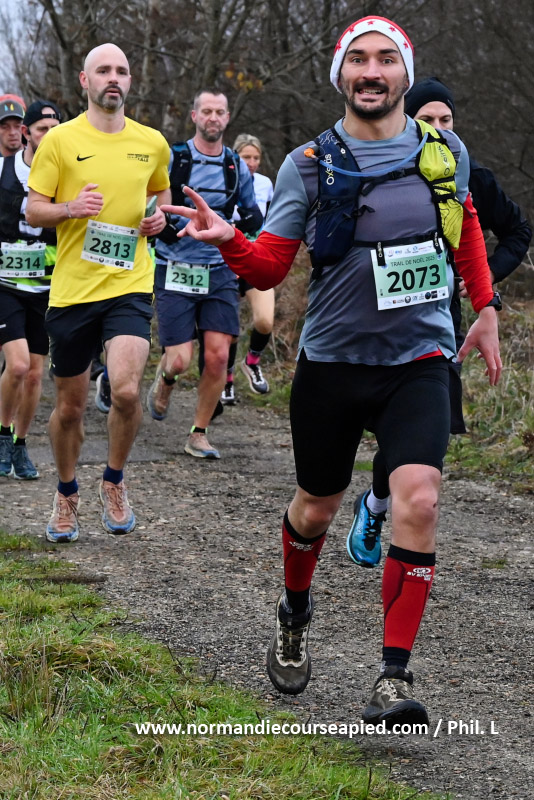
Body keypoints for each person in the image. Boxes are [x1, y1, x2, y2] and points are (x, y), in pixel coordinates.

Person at [161, 15, 501, 728]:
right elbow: (270, 266)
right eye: (358, 60)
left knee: (420, 498)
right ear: (340, 74)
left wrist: (486, 306)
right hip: (334, 363)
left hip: (420, 359)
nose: (371, 71)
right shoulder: (309, 163)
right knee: (316, 507)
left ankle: (393, 677)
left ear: (405, 73)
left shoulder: (444, 150)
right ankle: (293, 612)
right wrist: (228, 240)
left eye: (386, 59)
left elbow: (466, 222)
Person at [346, 76, 532, 570]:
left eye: (446, 120)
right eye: (426, 119)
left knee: (426, 428)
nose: (438, 128)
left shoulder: (470, 174)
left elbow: (518, 231)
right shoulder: (384, 168)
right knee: (383, 423)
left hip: (438, 317)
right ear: (407, 120)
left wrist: (483, 283)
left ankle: (380, 509)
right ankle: (372, 503)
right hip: (375, 317)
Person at [26, 42, 170, 543]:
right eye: (103, 70)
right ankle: (66, 492)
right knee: (69, 408)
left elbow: (161, 193)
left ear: (130, 81)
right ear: (84, 81)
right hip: (73, 291)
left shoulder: (152, 142)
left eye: (122, 71)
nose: (114, 77)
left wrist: (157, 217)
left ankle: (114, 479)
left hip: (129, 283)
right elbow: (34, 209)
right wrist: (70, 208)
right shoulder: (60, 141)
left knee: (126, 390)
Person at [147, 89, 262, 459]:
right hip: (175, 266)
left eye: (220, 112)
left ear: (227, 118)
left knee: (217, 356)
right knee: (179, 359)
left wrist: (245, 242)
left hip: (219, 270)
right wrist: (157, 223)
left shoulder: (235, 165)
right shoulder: (174, 158)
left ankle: (199, 433)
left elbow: (253, 215)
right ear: (194, 116)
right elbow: (149, 201)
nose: (213, 118)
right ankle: (166, 379)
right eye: (207, 111)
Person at [0, 99, 61, 480]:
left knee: (36, 374)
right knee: (19, 364)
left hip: (46, 286)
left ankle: (20, 443)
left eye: (56, 129)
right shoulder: (4, 168)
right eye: (42, 129)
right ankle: (2, 433)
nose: (49, 136)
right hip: (5, 283)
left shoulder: (65, 176)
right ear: (27, 133)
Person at [219, 133, 275, 405]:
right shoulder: (222, 181)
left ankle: (251, 362)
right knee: (229, 330)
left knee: (265, 321)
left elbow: (271, 219)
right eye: (245, 158)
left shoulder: (265, 184)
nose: (251, 163)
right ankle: (226, 378)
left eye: (256, 158)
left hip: (256, 258)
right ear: (234, 158)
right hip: (227, 260)